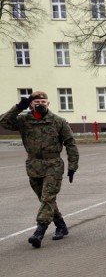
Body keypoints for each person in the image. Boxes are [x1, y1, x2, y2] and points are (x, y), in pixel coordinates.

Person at [1, 91, 79, 248]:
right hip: (33, 165)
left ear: (48, 104)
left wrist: (72, 166)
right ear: (31, 104)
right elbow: (3, 122)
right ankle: (61, 225)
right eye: (37, 102)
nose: (41, 104)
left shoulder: (58, 121)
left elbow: (70, 143)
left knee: (48, 198)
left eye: (43, 102)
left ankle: (39, 231)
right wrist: (17, 107)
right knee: (45, 199)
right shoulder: (24, 120)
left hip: (53, 164)